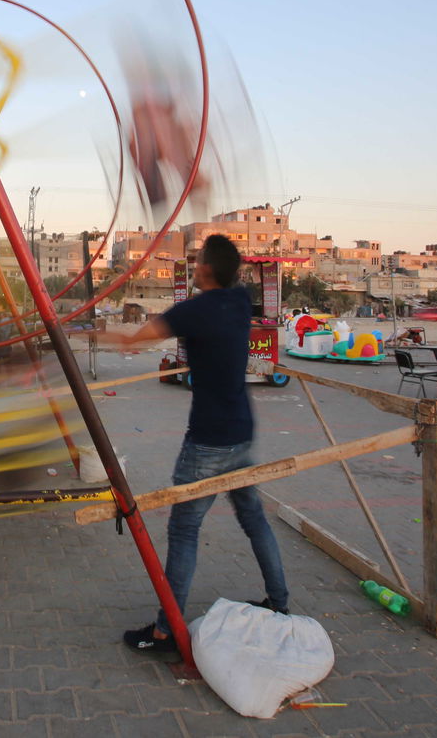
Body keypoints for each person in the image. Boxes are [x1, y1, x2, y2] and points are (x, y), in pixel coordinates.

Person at [111, 234, 290, 654]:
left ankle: (166, 630)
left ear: (207, 269)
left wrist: (100, 335)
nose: (193, 267)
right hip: (242, 435)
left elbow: (137, 338)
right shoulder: (240, 301)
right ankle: (279, 604)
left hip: (207, 443)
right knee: (254, 520)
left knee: (185, 529)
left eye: (198, 262)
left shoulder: (194, 310)